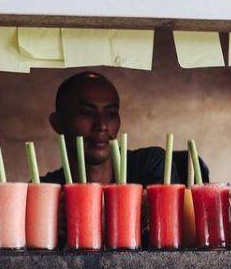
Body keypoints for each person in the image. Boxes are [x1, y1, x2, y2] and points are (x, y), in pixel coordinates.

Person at [42, 71, 180, 185]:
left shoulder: (151, 166)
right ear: (57, 123)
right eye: (87, 113)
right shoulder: (44, 191)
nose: (102, 125)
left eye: (111, 114)